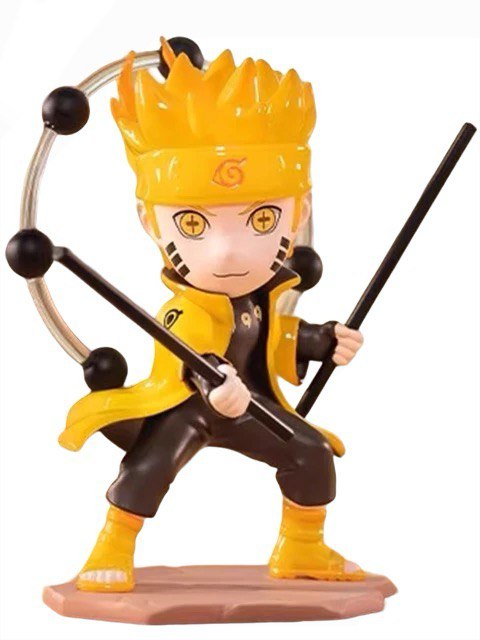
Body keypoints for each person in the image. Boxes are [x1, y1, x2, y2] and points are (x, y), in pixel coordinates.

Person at [59, 46, 363, 593]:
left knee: (311, 453)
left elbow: (267, 336)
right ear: (149, 220)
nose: (228, 252)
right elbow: (187, 351)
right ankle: (112, 545)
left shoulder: (261, 296)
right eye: (194, 225)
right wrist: (213, 381)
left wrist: (322, 339)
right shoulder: (186, 308)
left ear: (299, 211)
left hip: (250, 405)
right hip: (187, 405)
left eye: (262, 220)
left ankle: (302, 547)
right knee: (150, 467)